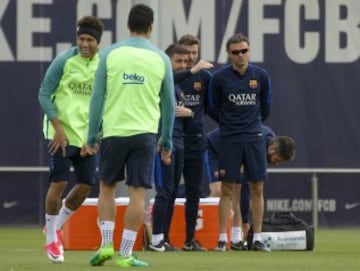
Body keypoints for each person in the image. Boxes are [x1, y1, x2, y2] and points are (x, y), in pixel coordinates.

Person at [86, 4, 175, 267]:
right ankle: (125, 253)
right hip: (145, 134)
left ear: (128, 26)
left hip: (114, 131)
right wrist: (166, 138)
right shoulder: (161, 58)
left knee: (107, 188)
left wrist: (92, 133)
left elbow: (97, 97)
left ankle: (105, 245)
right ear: (151, 27)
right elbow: (168, 103)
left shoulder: (110, 54)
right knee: (138, 193)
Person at [38, 16, 104, 263]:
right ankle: (52, 241)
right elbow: (44, 94)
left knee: (86, 185)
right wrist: (58, 128)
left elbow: (104, 103)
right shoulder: (64, 60)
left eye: (90, 40)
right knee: (59, 184)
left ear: (98, 42)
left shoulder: (103, 65)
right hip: (61, 134)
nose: (85, 44)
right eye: (81, 39)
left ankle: (54, 226)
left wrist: (96, 136)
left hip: (86, 136)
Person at [208, 33, 272, 252]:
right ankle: (225, 238)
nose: (240, 56)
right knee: (228, 188)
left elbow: (265, 107)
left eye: (244, 51)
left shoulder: (261, 76)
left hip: (254, 138)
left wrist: (252, 126)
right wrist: (229, 125)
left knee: (257, 187)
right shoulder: (219, 79)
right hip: (230, 139)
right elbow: (213, 107)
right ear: (229, 54)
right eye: (236, 52)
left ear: (249, 50)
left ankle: (257, 238)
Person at [204, 126, 296, 250]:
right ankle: (207, 233)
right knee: (218, 191)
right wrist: (246, 222)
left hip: (232, 150)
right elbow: (245, 188)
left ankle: (235, 238)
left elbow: (244, 185)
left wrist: (245, 223)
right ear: (272, 148)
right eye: (277, 159)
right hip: (214, 148)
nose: (276, 164)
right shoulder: (257, 145)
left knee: (237, 187)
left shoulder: (267, 141)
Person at [148, 44, 193, 252]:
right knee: (164, 191)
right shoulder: (161, 81)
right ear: (167, 61)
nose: (182, 65)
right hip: (164, 143)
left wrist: (189, 113)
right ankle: (156, 239)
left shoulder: (177, 88)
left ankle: (163, 237)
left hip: (180, 142)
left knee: (173, 191)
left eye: (186, 62)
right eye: (178, 61)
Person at [176, 34, 213, 251]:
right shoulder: (172, 76)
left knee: (193, 191)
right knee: (168, 191)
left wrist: (194, 116)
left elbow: (210, 107)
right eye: (186, 53)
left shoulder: (206, 78)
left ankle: (190, 239)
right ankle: (161, 238)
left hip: (196, 141)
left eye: (194, 53)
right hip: (173, 140)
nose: (190, 57)